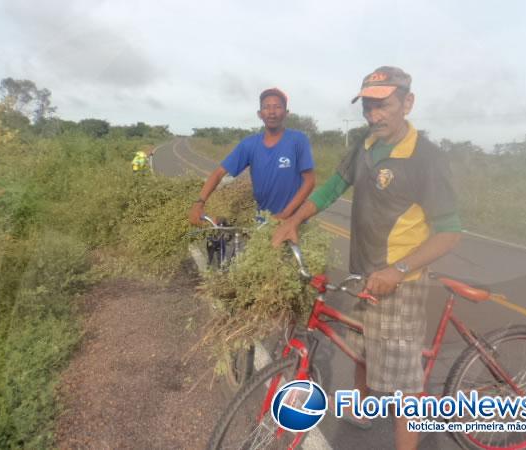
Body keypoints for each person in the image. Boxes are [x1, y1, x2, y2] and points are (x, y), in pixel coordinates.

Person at [272, 67, 462, 450]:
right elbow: (332, 187)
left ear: (407, 103)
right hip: (363, 275)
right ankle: (360, 410)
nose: (374, 115)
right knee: (361, 351)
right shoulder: (364, 144)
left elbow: (450, 231)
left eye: (383, 105)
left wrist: (399, 269)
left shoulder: (426, 158)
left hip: (399, 287)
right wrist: (293, 220)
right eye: (368, 107)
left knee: (406, 387)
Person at [188, 88, 315, 224]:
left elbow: (309, 182)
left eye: (277, 107)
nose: (272, 112)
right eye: (267, 107)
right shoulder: (249, 144)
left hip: (293, 221)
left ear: (286, 113)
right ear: (260, 114)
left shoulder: (298, 140)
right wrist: (199, 203)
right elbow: (219, 173)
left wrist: (284, 215)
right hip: (263, 221)